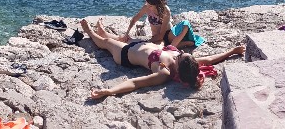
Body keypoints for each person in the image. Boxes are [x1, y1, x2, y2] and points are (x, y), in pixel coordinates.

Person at [80, 18, 244, 99]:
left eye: (181, 55)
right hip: (138, 45)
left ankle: (91, 34)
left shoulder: (164, 72)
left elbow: (135, 83)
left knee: (107, 43)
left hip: (125, 55)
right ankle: (103, 32)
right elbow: (209, 59)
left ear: (179, 66)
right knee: (124, 38)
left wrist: (109, 91)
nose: (180, 52)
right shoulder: (187, 63)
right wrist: (232, 51)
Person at [118, 0, 202, 47]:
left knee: (186, 24)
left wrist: (147, 41)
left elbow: (162, 35)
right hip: (156, 38)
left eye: (150, 5)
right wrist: (126, 34)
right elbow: (134, 19)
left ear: (157, 4)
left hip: (168, 35)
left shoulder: (166, 11)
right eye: (147, 3)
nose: (147, 6)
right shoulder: (146, 7)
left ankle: (174, 46)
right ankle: (182, 44)